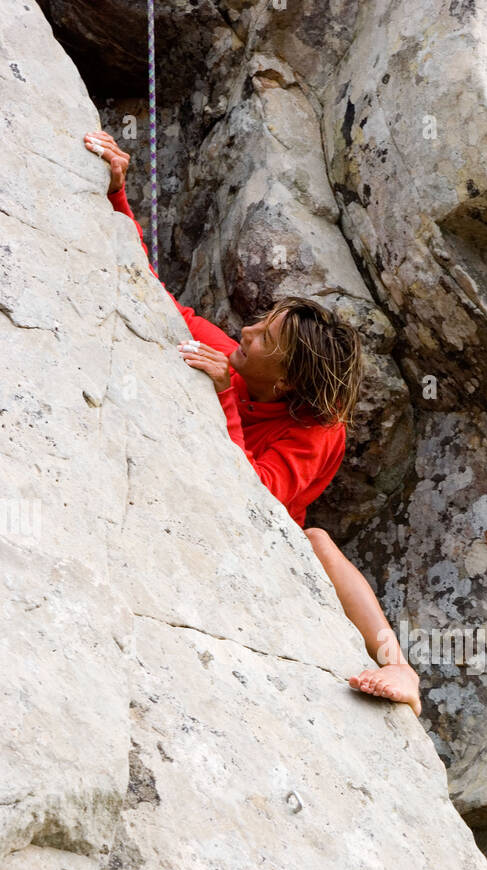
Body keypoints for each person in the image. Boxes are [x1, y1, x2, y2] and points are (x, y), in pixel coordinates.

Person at [84, 130, 421, 717]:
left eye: (264, 337)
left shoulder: (317, 433)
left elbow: (261, 496)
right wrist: (116, 198)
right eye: (260, 323)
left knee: (318, 540)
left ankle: (397, 663)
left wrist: (223, 399)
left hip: (270, 540)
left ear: (287, 381)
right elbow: (161, 305)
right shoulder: (237, 363)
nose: (245, 332)